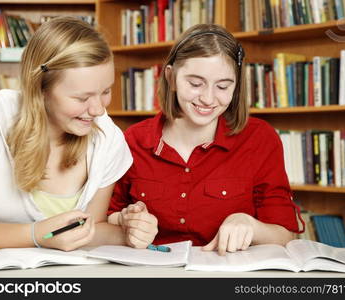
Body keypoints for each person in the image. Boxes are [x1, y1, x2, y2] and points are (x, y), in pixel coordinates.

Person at [108, 23, 304, 255]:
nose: (208, 98)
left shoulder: (260, 138)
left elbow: (286, 234)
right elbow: (107, 216)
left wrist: (250, 225)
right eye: (195, 84)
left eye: (223, 86)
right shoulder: (134, 139)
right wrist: (126, 221)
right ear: (170, 77)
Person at [0, 17, 132, 251]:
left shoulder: (107, 139)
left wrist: (128, 230)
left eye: (105, 91)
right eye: (81, 98)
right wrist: (35, 235)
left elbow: (87, 229)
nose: (98, 110)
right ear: (40, 88)